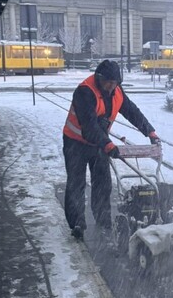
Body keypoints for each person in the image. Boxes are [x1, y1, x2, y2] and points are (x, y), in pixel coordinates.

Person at [63, 59, 160, 239]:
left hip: (99, 143)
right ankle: (77, 223)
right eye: (107, 82)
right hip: (75, 141)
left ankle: (103, 219)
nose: (110, 86)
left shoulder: (116, 92)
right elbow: (89, 126)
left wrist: (150, 131)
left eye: (114, 83)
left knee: (103, 183)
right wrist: (108, 144)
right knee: (76, 183)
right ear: (98, 78)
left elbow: (132, 111)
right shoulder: (85, 91)